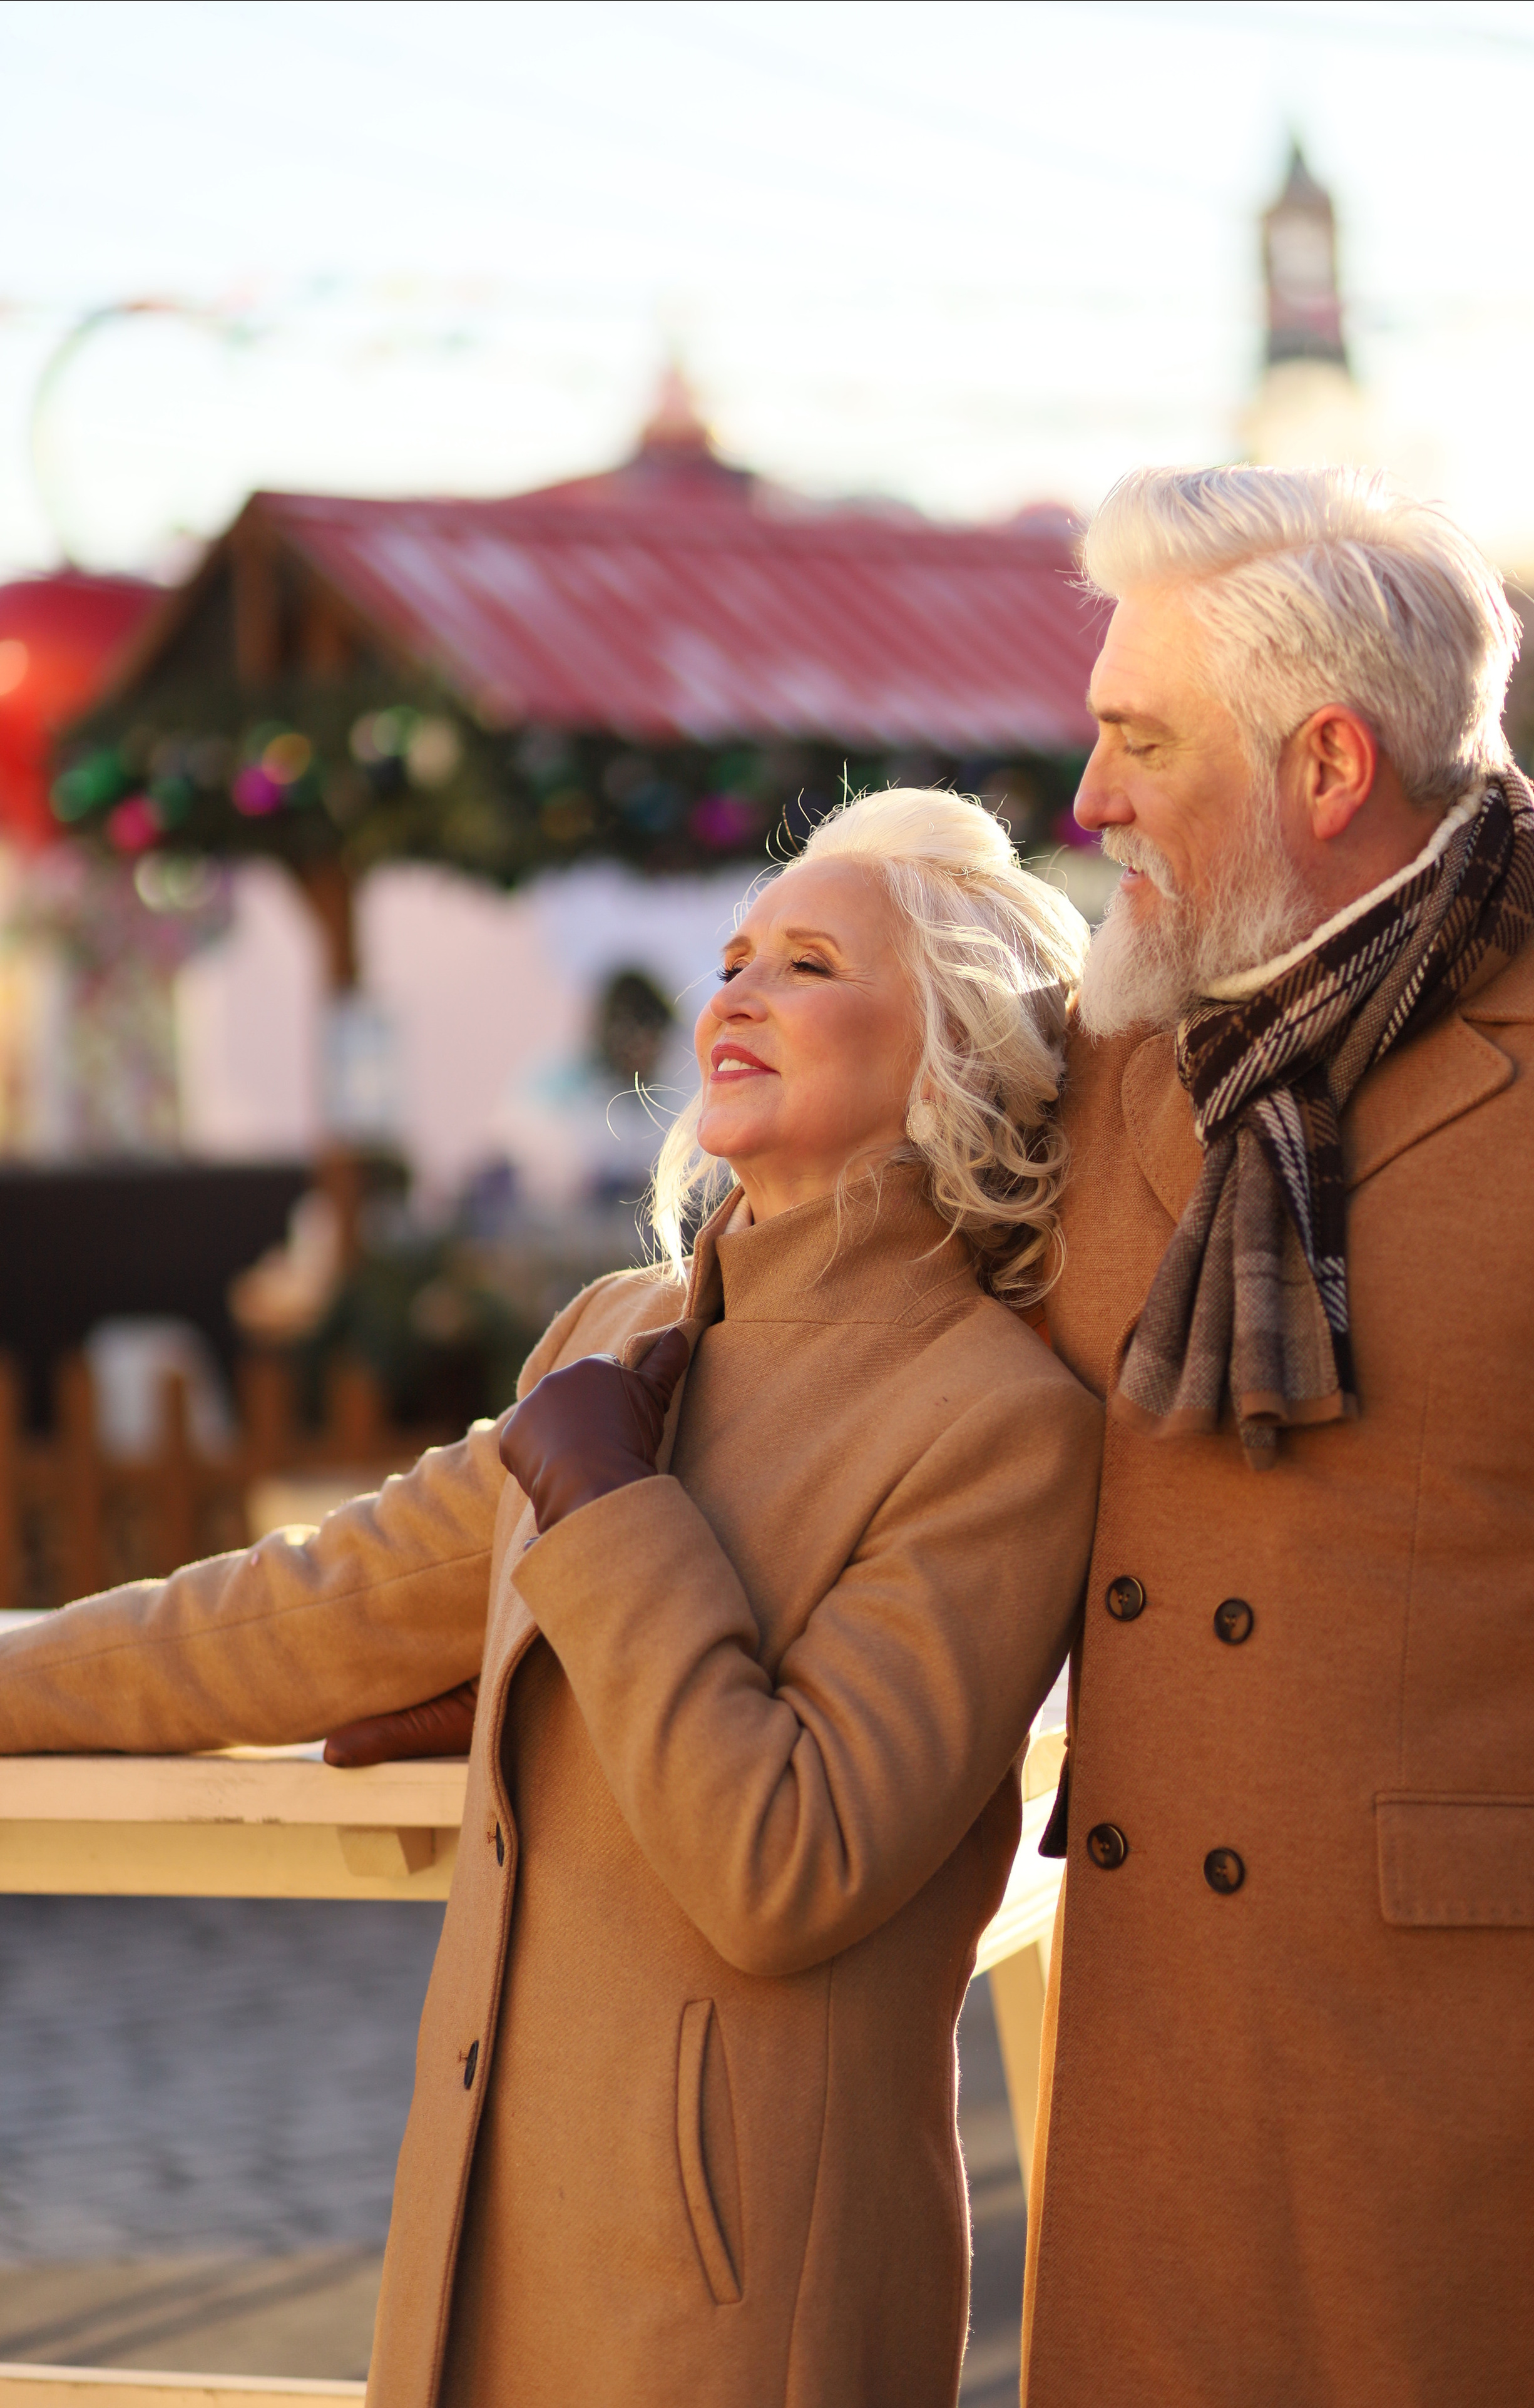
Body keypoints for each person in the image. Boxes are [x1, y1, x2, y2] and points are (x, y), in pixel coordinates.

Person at [0, 789, 1101, 2408]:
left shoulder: (998, 1420)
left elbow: (789, 1863)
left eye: (810, 964)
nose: (736, 994)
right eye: (736, 956)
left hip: (742, 2305)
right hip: (478, 2232)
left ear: (957, 1056)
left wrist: (605, 1511)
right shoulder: (616, 1332)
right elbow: (305, 1611)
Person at [1025, 463, 1534, 2407]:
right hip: (1157, 2093)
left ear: (1328, 765)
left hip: (1490, 2138)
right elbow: (819, 1389)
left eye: (1135, 741)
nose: (1086, 803)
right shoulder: (1115, 1046)